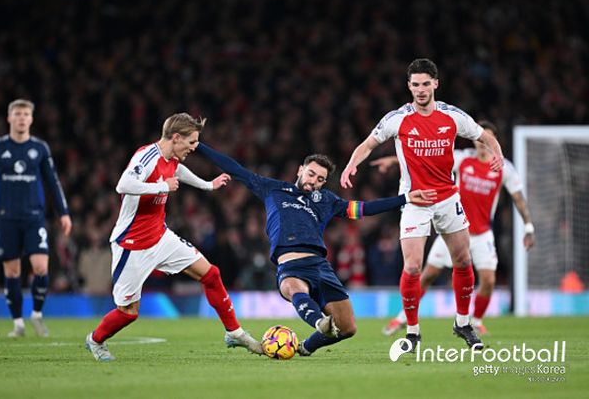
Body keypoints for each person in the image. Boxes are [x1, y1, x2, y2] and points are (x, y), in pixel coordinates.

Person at [196, 141, 436, 356]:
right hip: (291, 264)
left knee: (348, 327)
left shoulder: (327, 200)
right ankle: (319, 322)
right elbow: (235, 169)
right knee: (292, 287)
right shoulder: (273, 189)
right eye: (311, 174)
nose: (314, 182)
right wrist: (199, 146)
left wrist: (404, 198)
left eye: (320, 179)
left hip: (321, 267)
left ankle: (306, 347)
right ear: (300, 170)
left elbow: (363, 209)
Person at [340, 58, 504, 352]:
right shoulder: (398, 118)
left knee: (463, 260)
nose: (421, 90)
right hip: (415, 200)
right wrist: (352, 164)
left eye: (426, 83)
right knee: (413, 266)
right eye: (415, 84)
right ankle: (413, 332)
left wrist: (498, 155)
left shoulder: (452, 116)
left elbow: (485, 136)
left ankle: (463, 323)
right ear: (409, 86)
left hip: (448, 198)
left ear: (435, 84)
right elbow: (368, 144)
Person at [84, 113, 262, 362]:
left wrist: (208, 185)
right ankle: (95, 340)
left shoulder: (172, 159)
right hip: (132, 245)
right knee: (128, 313)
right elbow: (123, 185)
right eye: (191, 142)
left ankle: (234, 332)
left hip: (161, 237)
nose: (194, 147)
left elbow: (178, 171)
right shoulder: (146, 157)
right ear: (176, 137)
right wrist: (161, 187)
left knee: (211, 274)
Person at [377, 121, 535, 336]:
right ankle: (402, 317)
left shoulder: (503, 167)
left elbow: (518, 198)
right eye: (479, 140)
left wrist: (528, 226)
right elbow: (425, 160)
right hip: (454, 231)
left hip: (482, 234)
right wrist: (394, 161)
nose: (482, 144)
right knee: (427, 275)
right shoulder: (463, 159)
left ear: (493, 141)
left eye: (486, 140)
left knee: (488, 280)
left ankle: (476, 321)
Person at [0, 99, 72, 337]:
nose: (21, 118)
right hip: (7, 218)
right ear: (9, 118)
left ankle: (37, 315)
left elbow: (53, 182)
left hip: (34, 217)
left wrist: (63, 212)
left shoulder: (40, 148)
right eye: (17, 114)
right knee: (11, 272)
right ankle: (18, 323)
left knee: (41, 267)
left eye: (25, 114)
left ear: (31, 119)